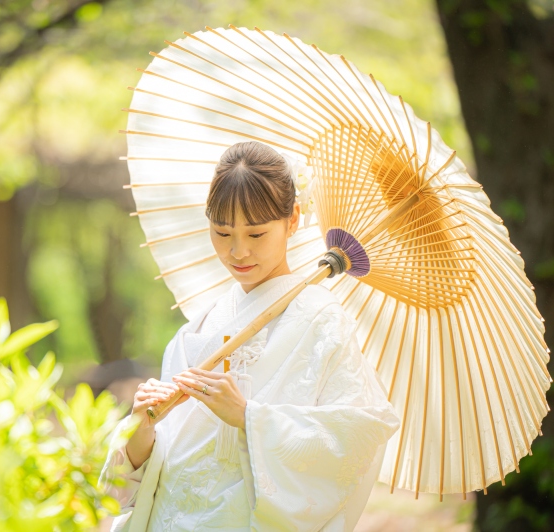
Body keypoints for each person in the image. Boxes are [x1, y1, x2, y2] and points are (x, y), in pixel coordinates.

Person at [100, 141, 400, 531]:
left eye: (256, 235)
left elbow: (356, 437)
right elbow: (164, 463)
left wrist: (249, 418)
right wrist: (141, 434)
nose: (237, 251)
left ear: (292, 220)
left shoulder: (323, 323)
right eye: (222, 232)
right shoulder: (198, 327)